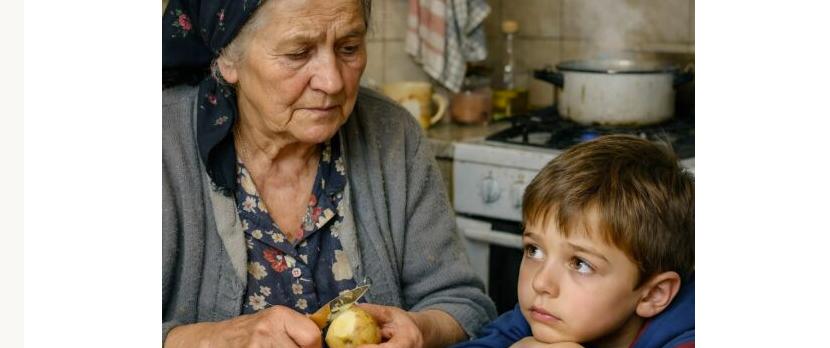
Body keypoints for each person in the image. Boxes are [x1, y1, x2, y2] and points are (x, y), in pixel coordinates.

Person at [161, 0, 497, 346]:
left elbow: (464, 303)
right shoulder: (160, 143)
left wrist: (422, 330)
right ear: (228, 58)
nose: (333, 81)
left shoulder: (393, 134)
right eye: (298, 53)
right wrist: (211, 339)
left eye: (349, 48)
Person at [454, 135, 694, 348]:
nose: (540, 282)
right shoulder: (540, 314)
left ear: (653, 294)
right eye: (534, 250)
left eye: (580, 263)